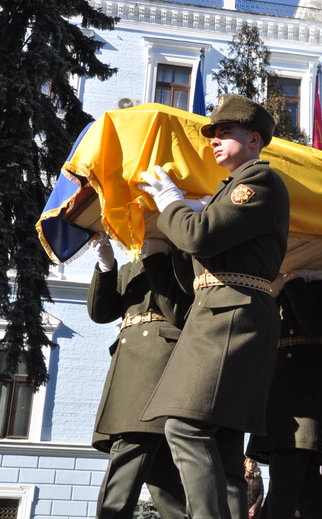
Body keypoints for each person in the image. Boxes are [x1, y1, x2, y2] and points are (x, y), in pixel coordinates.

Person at [138, 93, 290, 519]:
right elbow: (195, 267)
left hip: (232, 314)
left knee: (184, 426)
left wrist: (170, 202)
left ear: (255, 139)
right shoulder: (230, 189)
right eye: (213, 136)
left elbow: (199, 238)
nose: (215, 142)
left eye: (226, 133)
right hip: (220, 310)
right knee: (221, 443)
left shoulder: (257, 180)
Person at [88, 236, 190, 519]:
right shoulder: (134, 260)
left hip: (155, 364)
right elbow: (102, 312)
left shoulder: (184, 253)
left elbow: (178, 310)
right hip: (129, 364)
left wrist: (158, 256)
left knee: (130, 452)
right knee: (164, 480)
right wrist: (106, 267)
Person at [246, 270, 322, 519]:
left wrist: (295, 281)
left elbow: (315, 324)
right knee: (306, 491)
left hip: (306, 393)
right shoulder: (282, 288)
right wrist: (274, 293)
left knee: (285, 484)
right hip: (280, 391)